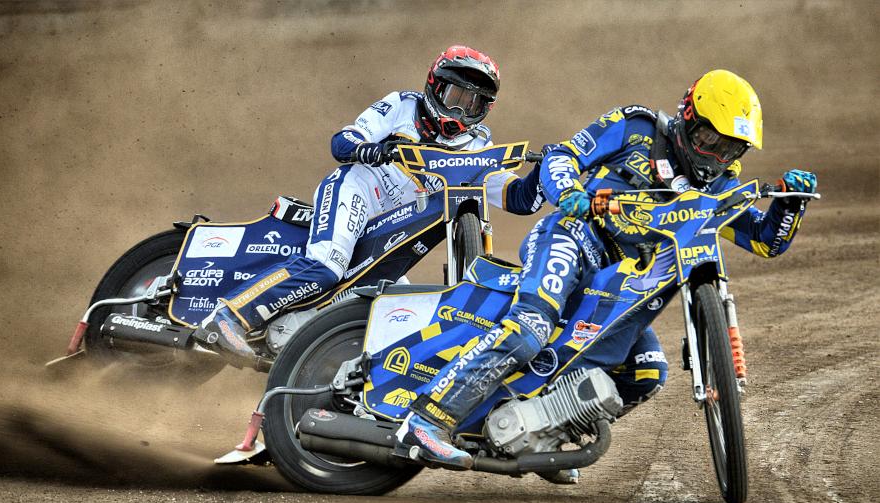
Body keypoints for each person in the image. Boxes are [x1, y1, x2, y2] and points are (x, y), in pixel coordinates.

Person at [395, 69, 818, 473]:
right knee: (531, 327)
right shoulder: (636, 126)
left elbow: (764, 240)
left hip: (621, 281)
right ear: (689, 118)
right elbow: (562, 155)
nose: (717, 157)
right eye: (710, 141)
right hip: (573, 236)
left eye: (731, 149)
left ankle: (542, 437)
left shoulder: (719, 186)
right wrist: (570, 191)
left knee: (647, 372)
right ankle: (426, 420)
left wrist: (789, 204)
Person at [193, 45, 545, 365]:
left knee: (399, 310)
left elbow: (519, 198)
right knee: (327, 265)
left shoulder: (478, 147)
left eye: (472, 104)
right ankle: (227, 318)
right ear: (435, 86)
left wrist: (546, 171)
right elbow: (343, 141)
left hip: (392, 227)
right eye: (455, 96)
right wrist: (371, 149)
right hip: (357, 190)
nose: (459, 110)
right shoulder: (402, 106)